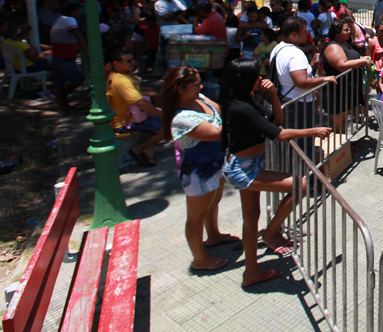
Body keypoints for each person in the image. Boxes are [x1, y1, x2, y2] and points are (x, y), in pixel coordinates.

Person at [220, 59, 333, 287]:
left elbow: (277, 120)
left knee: (251, 217)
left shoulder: (247, 100)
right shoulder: (240, 107)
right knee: (301, 186)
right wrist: (314, 130)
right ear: (247, 81)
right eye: (257, 76)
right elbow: (279, 134)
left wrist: (272, 94)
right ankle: (271, 233)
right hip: (243, 169)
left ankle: (251, 272)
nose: (262, 78)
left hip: (249, 163)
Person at [161, 66, 238, 271]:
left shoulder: (200, 98)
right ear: (180, 89)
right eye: (195, 85)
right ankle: (199, 260)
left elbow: (220, 111)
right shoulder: (182, 118)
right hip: (199, 171)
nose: (201, 87)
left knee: (213, 202)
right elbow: (215, 133)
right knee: (195, 216)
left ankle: (213, 236)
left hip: (216, 163)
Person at [270, 16, 338, 157]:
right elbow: (301, 82)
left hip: (285, 100)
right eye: (303, 32)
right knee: (303, 143)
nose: (307, 34)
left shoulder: (278, 48)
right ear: (293, 34)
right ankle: (302, 176)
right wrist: (324, 79)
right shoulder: (296, 54)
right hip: (299, 104)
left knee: (291, 143)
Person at [106, 47, 163, 166]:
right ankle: (139, 148)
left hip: (128, 117)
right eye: (128, 61)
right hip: (124, 123)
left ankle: (147, 148)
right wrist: (162, 115)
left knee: (158, 115)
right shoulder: (122, 81)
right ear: (116, 64)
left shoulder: (117, 75)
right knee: (169, 128)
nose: (133, 63)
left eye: (132, 60)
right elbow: (141, 103)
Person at [321, 16, 373, 132]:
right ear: (337, 32)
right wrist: (362, 61)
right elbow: (341, 65)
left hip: (346, 90)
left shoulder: (344, 44)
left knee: (344, 120)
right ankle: (338, 148)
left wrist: (362, 58)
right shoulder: (333, 47)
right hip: (337, 91)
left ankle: (346, 147)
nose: (349, 31)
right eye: (346, 30)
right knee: (338, 122)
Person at [51, 3, 87, 114]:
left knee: (59, 83)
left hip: (57, 56)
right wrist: (87, 50)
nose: (80, 13)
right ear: (72, 12)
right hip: (64, 57)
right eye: (78, 11)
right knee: (78, 79)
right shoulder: (70, 20)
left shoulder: (59, 20)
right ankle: (62, 99)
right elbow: (78, 36)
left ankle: (62, 105)